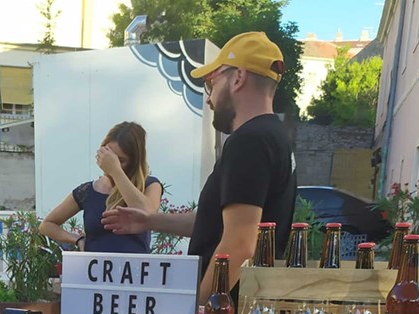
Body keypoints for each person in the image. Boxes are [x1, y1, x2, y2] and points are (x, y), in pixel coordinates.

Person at [102, 32, 297, 298]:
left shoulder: (250, 141)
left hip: (229, 312)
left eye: (211, 84)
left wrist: (200, 310)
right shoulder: (274, 136)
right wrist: (151, 221)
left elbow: (239, 244)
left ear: (238, 78)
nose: (209, 99)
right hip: (248, 304)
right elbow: (218, 224)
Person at [39, 121, 163, 253]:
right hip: (94, 264)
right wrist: (77, 239)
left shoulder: (149, 185)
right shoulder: (87, 191)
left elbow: (148, 215)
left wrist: (115, 171)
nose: (111, 163)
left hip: (133, 265)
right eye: (109, 156)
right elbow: (47, 225)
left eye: (120, 160)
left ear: (134, 161)